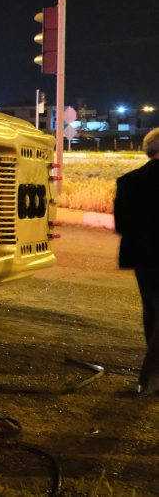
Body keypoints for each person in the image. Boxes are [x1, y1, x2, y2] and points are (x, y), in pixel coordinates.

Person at [113, 127, 159, 395]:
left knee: (152, 312)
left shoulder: (128, 181)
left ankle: (151, 377)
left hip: (143, 258)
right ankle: (151, 377)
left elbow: (121, 226)